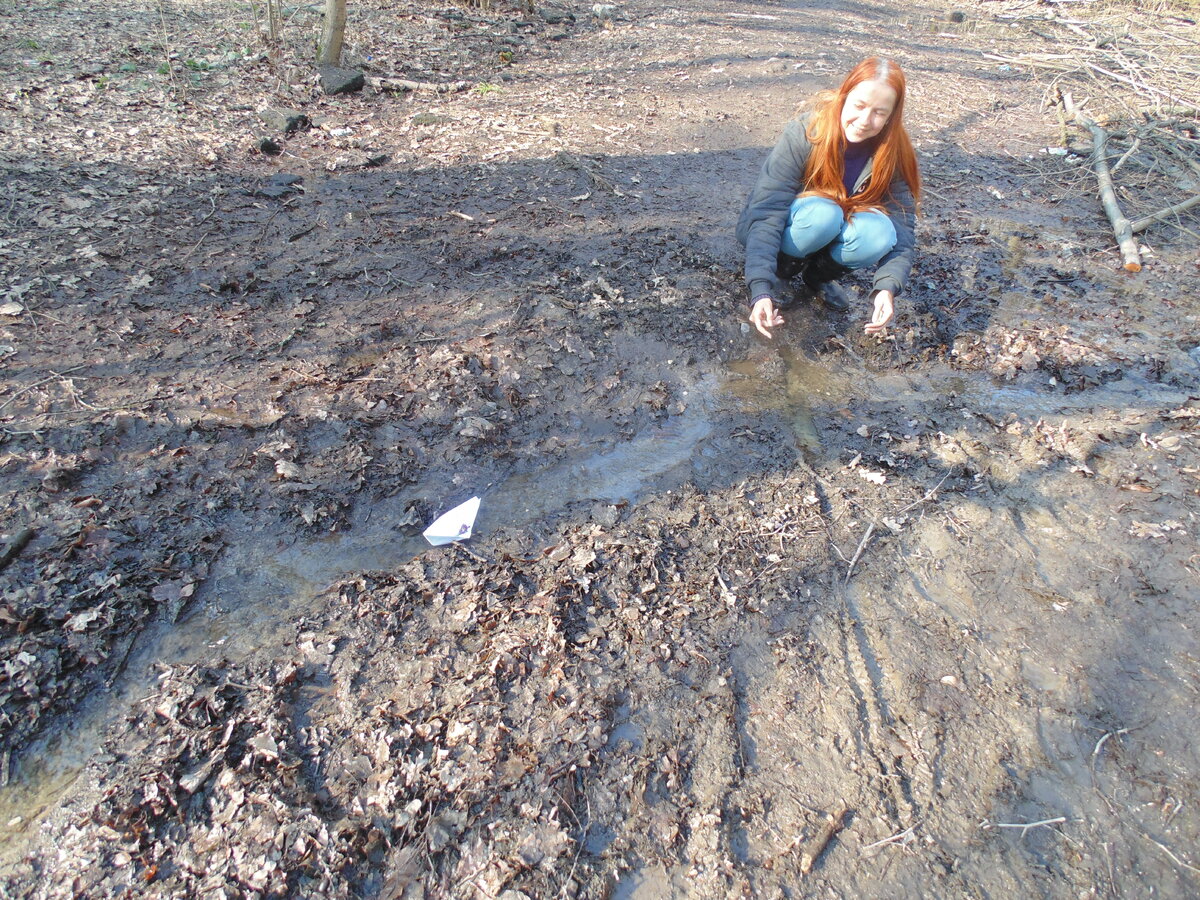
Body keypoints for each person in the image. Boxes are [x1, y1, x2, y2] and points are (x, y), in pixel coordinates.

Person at [736, 57, 921, 339]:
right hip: (796, 224)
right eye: (859, 106)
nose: (864, 121)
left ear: (892, 116)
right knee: (823, 214)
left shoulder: (893, 152)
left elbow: (903, 226)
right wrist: (760, 287)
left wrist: (888, 287)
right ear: (844, 95)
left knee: (880, 233)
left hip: (838, 224)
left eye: (879, 113)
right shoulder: (805, 133)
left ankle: (817, 277)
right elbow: (768, 211)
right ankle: (783, 271)